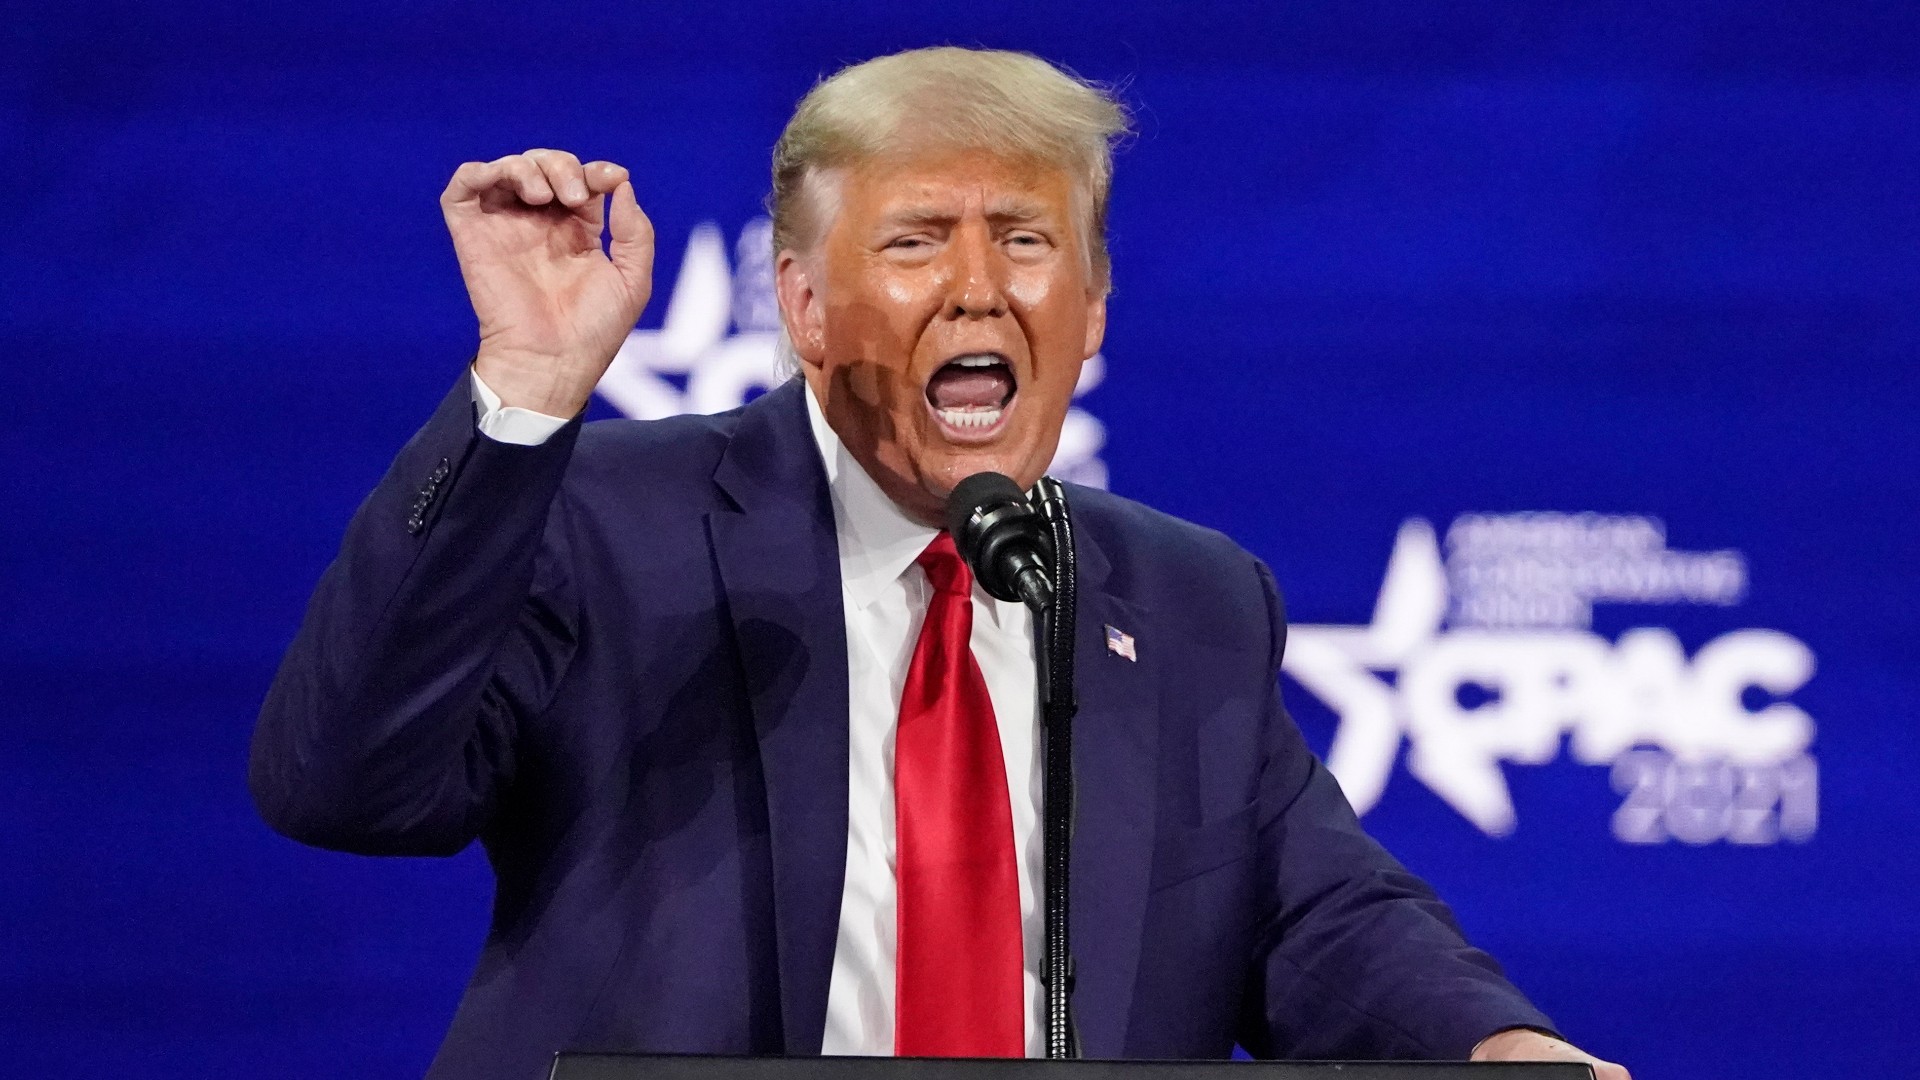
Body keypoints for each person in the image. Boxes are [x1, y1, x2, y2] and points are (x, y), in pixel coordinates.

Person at [251, 47, 1629, 1080]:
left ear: (1089, 311)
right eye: (916, 240)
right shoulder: (610, 518)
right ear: (800, 304)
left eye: (1026, 242)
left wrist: (1499, 1048)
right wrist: (527, 392)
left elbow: (1316, 913)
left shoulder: (1186, 597)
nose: (979, 288)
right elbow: (342, 783)